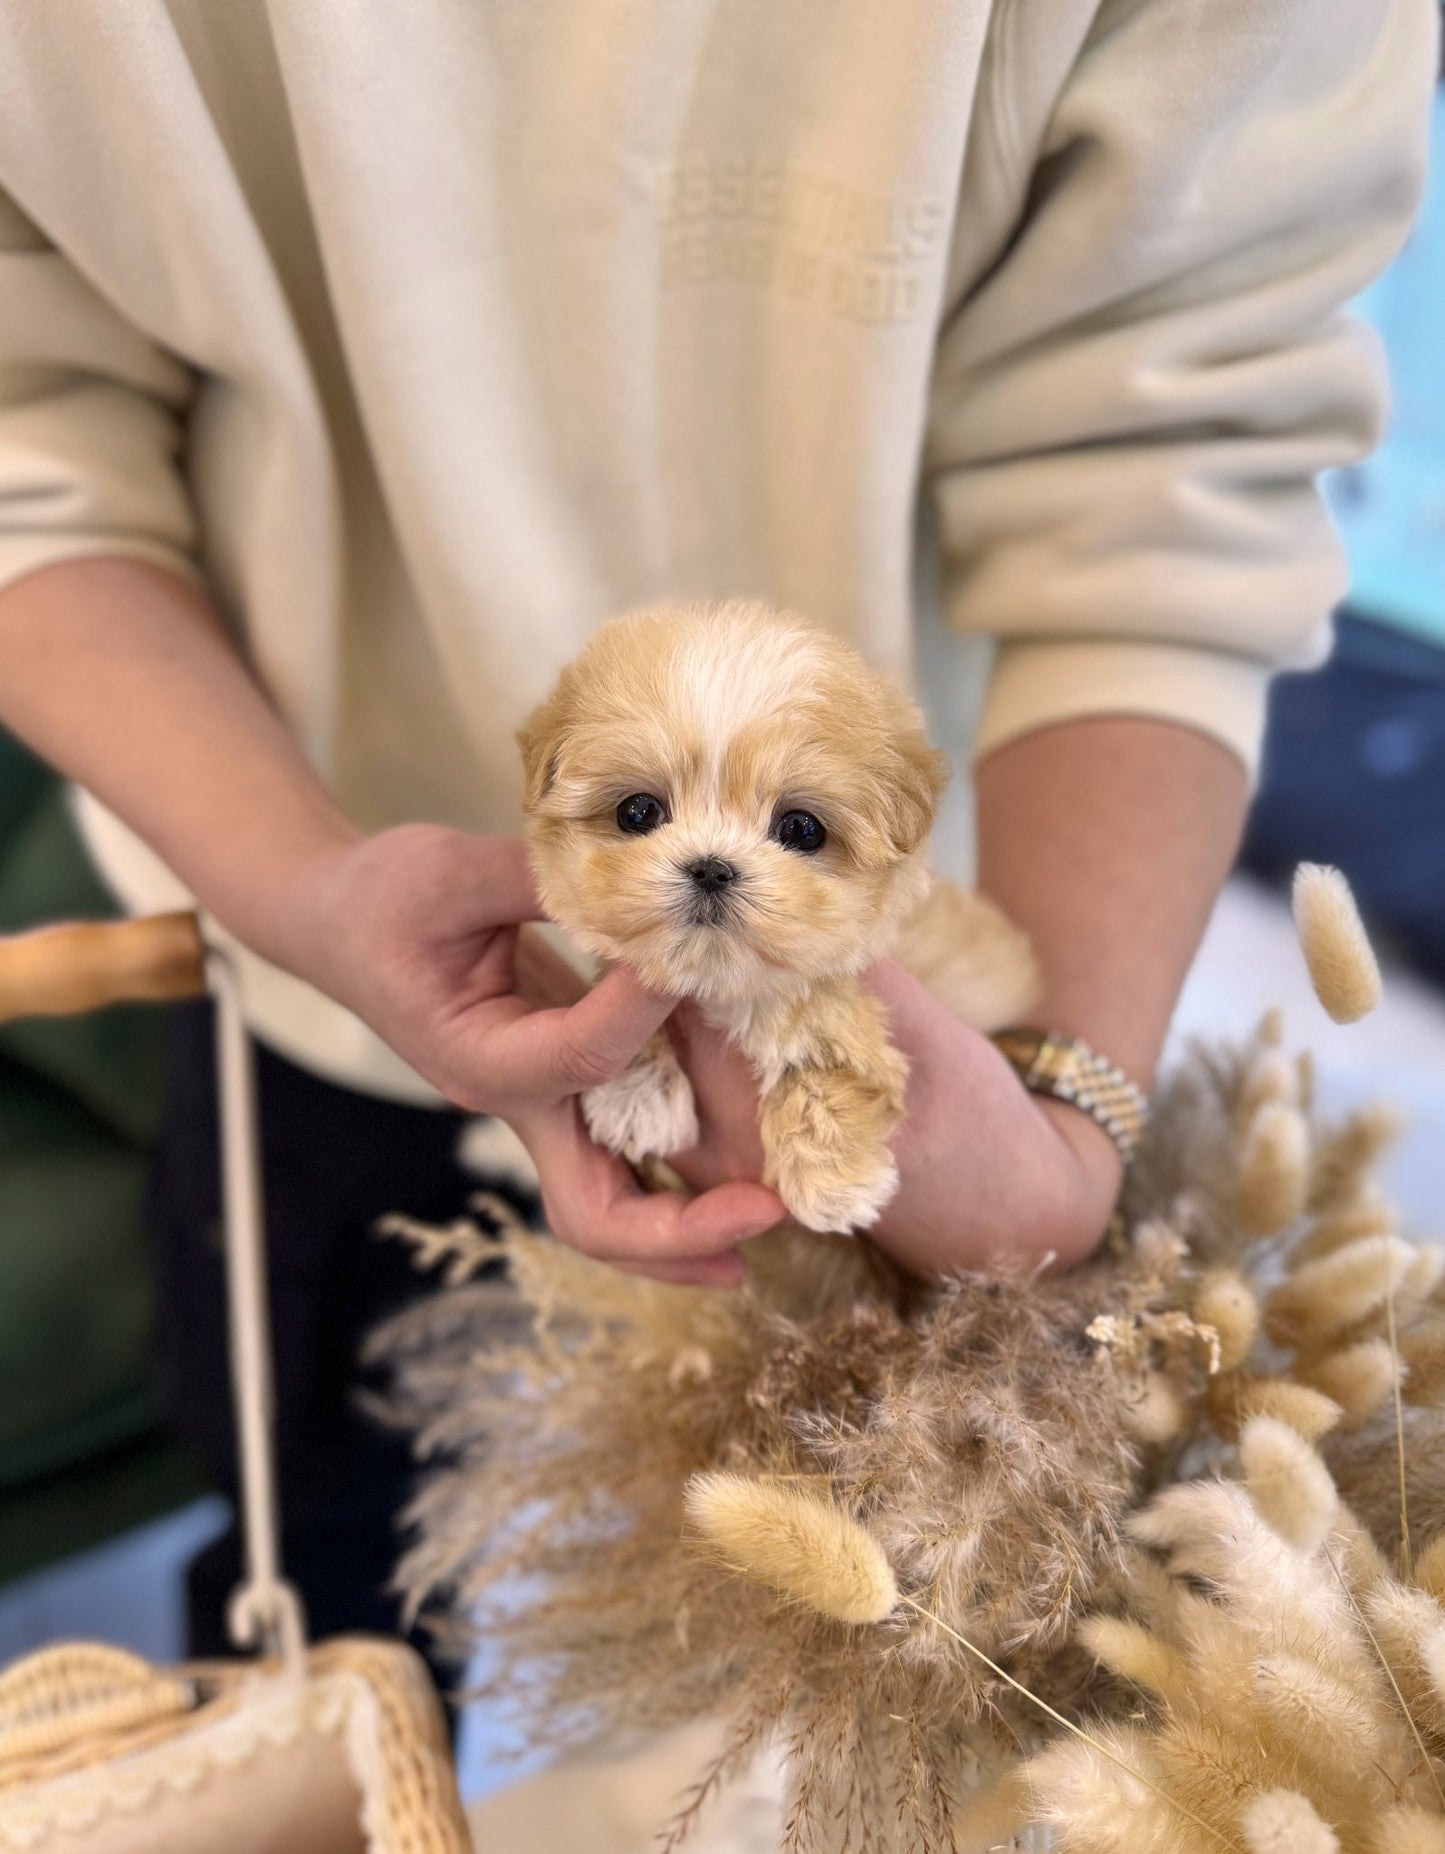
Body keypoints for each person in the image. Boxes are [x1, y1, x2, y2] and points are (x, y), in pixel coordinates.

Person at [0, 3, 1434, 1669]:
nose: (704, 863)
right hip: (299, 952)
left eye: (789, 823)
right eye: (636, 810)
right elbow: (38, 433)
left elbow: (1172, 451)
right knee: (325, 1571)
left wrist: (1063, 1111)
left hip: (972, 1006)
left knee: (892, 1632)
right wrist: (299, 879)